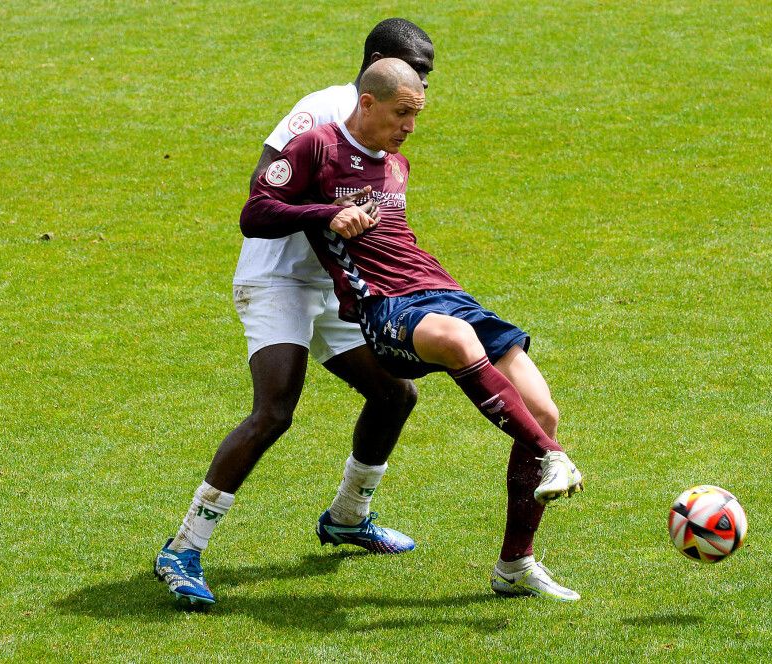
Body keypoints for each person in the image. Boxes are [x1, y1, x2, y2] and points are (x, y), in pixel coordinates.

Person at [238, 59, 585, 601]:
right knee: (456, 344)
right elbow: (255, 213)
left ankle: (515, 565)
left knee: (544, 408)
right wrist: (325, 214)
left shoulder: (397, 167)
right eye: (402, 113)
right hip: (386, 308)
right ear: (368, 102)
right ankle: (552, 455)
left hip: (443, 293)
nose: (410, 127)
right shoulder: (319, 146)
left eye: (417, 115)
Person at [154, 20, 436, 607]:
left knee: (396, 394)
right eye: (414, 72)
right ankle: (183, 546)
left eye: (427, 80)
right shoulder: (322, 114)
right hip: (277, 275)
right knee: (274, 411)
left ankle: (348, 516)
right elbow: (260, 200)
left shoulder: (389, 123)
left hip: (334, 280)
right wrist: (323, 215)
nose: (419, 93)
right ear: (376, 67)